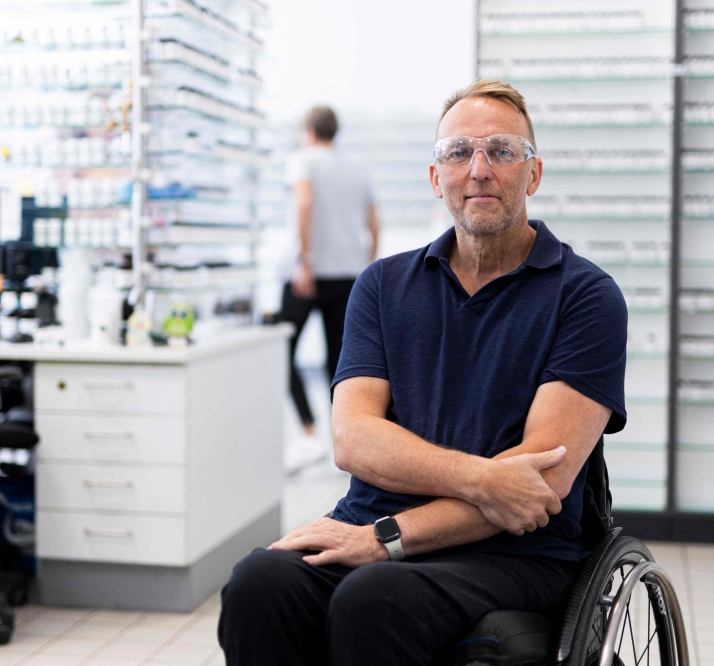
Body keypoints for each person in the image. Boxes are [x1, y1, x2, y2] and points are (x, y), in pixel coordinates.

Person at [218, 79, 628, 666]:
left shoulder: (585, 296)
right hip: (373, 518)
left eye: (502, 151)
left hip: (512, 550)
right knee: (260, 583)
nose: (479, 169)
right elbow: (354, 438)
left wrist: (387, 540)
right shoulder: (383, 286)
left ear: (533, 174)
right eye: (458, 153)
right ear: (437, 180)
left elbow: (542, 483)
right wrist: (485, 479)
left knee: (374, 597)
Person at [281, 106, 380, 434]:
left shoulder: (303, 159)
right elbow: (374, 224)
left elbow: (304, 204)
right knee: (341, 362)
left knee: (280, 350)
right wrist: (368, 269)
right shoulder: (356, 168)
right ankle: (343, 437)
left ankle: (308, 428)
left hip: (309, 273)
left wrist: (304, 262)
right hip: (349, 276)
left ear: (308, 130)